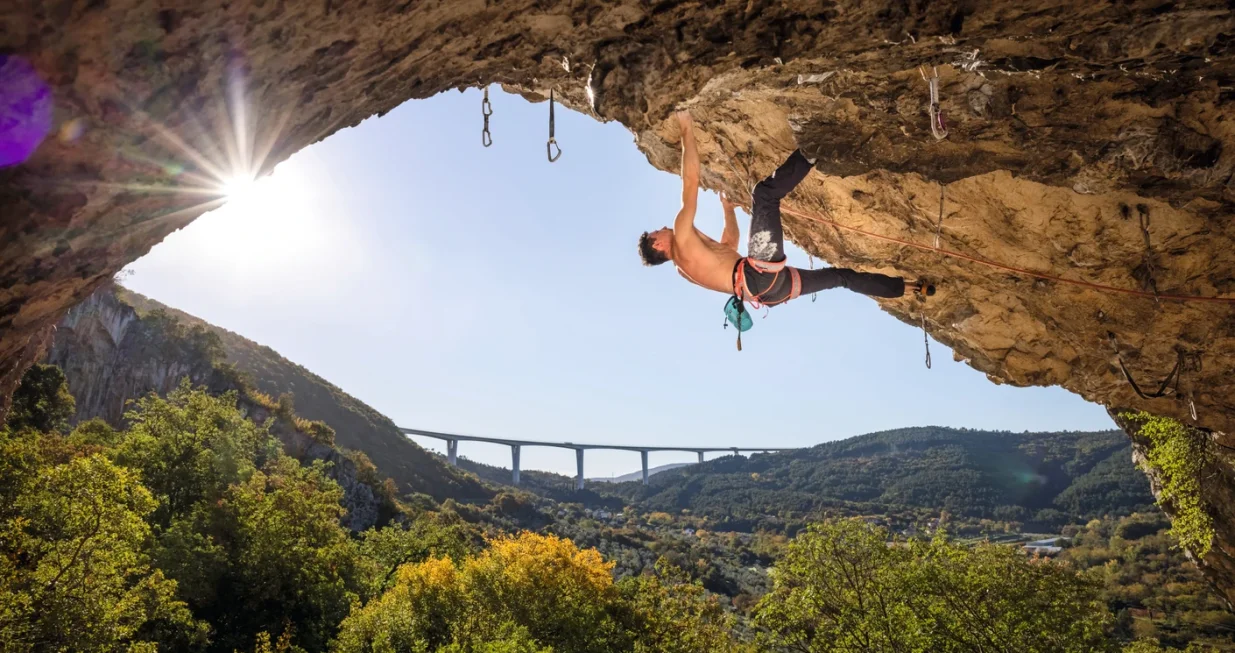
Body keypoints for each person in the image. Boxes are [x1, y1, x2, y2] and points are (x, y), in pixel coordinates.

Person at [637, 111, 932, 309]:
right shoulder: (682, 236)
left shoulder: (686, 270)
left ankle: (910, 288)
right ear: (659, 244)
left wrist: (728, 210)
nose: (663, 226)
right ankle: (813, 150)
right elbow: (690, 182)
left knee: (841, 277)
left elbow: (728, 247)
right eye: (657, 231)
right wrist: (686, 126)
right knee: (764, 194)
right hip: (760, 275)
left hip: (770, 292)